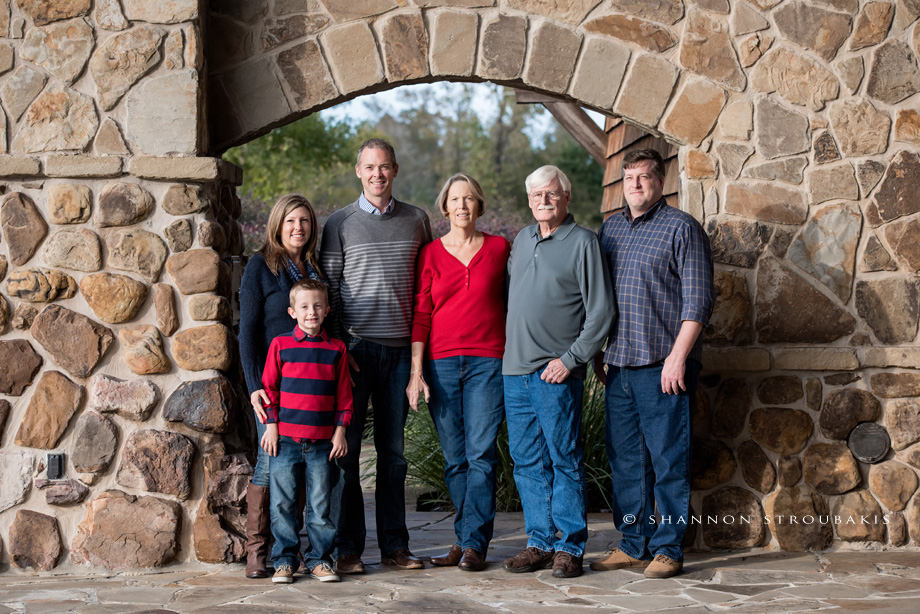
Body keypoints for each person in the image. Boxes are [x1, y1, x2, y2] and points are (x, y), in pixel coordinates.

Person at [592, 148, 714, 579]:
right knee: (626, 462)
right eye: (629, 178)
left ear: (661, 182)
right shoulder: (610, 231)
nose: (635, 185)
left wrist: (678, 358)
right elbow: (598, 298)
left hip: (664, 365)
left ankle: (667, 548)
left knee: (667, 461)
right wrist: (597, 352)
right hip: (619, 366)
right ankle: (632, 542)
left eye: (644, 177)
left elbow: (698, 300)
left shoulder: (681, 228)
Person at [320, 138, 433, 573]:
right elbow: (329, 290)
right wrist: (340, 351)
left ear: (396, 170)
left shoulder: (416, 220)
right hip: (355, 352)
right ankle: (348, 548)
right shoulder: (339, 223)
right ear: (357, 170)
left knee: (394, 456)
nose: (377, 175)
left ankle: (395, 548)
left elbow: (424, 286)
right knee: (345, 454)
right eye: (370, 167)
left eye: (384, 167)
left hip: (401, 354)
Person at [501, 165, 613, 579]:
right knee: (526, 461)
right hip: (515, 372)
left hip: (555, 375)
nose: (543, 201)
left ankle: (569, 547)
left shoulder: (583, 242)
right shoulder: (522, 238)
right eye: (535, 196)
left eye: (550, 194)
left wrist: (569, 360)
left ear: (566, 198)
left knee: (564, 459)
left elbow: (601, 311)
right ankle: (539, 544)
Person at [406, 174, 510, 572]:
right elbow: (421, 315)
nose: (462, 206)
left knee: (481, 455)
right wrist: (417, 372)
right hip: (441, 363)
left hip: (489, 362)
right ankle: (467, 540)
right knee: (455, 460)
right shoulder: (431, 253)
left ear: (479, 205)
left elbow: (517, 302)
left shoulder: (501, 249)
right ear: (445, 207)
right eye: (455, 199)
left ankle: (472, 545)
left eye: (469, 199)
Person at [239, 194, 326, 579]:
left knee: (303, 463)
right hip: (272, 385)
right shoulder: (260, 267)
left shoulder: (314, 267)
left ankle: (296, 550)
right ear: (277, 224)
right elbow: (247, 333)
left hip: (311, 384)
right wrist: (254, 385)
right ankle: (258, 550)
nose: (298, 228)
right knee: (269, 459)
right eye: (291, 220)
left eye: (305, 221)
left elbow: (324, 319)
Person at [260, 279, 353, 584]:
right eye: (304, 306)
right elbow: (269, 389)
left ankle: (319, 560)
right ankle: (285, 560)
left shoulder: (336, 349)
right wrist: (271, 427)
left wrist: (340, 431)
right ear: (291, 312)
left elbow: (344, 396)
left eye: (317, 306)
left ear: (326, 310)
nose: (311, 312)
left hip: (323, 443)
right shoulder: (280, 345)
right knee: (282, 503)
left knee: (320, 506)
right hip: (284, 441)